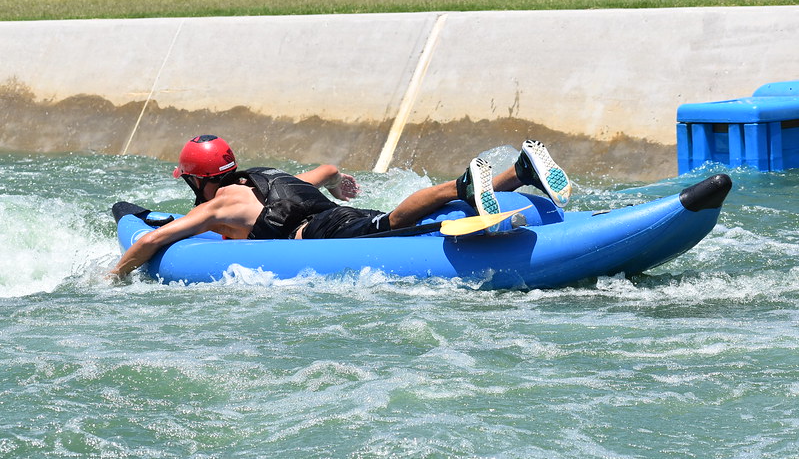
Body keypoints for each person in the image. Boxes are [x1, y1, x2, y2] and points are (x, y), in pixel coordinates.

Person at [109, 134, 571, 279]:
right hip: (330, 217)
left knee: (395, 222)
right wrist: (340, 180)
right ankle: (520, 173)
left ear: (196, 179)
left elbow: (152, 239)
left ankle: (463, 184)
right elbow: (324, 171)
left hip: (322, 235)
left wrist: (111, 278)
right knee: (398, 218)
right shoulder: (266, 178)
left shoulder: (214, 209)